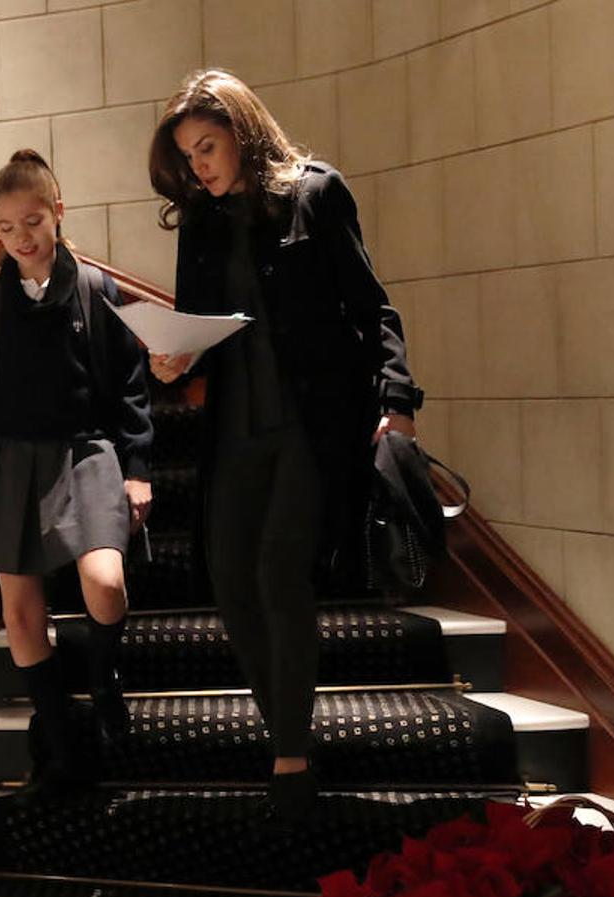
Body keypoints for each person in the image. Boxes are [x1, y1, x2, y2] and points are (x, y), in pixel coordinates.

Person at [146, 70, 421, 819]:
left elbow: (372, 306)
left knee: (277, 576)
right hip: (235, 427)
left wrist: (398, 399)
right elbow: (197, 326)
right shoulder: (202, 222)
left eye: (208, 146)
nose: (199, 165)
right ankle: (288, 734)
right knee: (230, 584)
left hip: (311, 423)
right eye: (188, 154)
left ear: (242, 130)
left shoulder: (317, 191)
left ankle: (291, 757)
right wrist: (172, 359)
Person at [0, 149, 154, 791]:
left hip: (87, 452)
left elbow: (130, 386)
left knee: (105, 587)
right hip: (11, 461)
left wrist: (137, 466)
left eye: (31, 220)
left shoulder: (96, 289)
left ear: (58, 213)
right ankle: (60, 741)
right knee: (23, 617)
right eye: (5, 227)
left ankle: (105, 678)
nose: (20, 238)